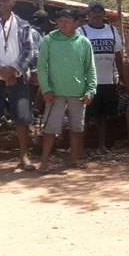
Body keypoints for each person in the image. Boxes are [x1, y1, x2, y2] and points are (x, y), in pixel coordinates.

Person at [37, 9, 97, 173]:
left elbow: (90, 68)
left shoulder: (84, 42)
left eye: (67, 20)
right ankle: (44, 161)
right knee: (50, 129)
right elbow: (41, 67)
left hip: (78, 93)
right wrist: (46, 89)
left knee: (76, 128)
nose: (62, 23)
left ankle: (74, 159)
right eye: (60, 20)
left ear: (77, 23)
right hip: (54, 93)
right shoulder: (49, 40)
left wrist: (91, 90)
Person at [0, 0, 36, 174]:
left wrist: (13, 70)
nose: (2, 2)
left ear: (13, 2)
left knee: (22, 118)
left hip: (17, 77)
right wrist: (1, 70)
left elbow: (29, 50)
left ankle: (24, 156)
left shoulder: (23, 24)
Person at [79, 1, 125, 155]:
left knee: (103, 116)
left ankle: (101, 145)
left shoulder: (112, 31)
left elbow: (118, 56)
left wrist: (122, 77)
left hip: (108, 80)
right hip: (88, 82)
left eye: (100, 12)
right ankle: (80, 147)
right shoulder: (81, 31)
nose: (97, 15)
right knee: (85, 116)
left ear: (104, 14)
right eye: (94, 11)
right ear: (88, 14)